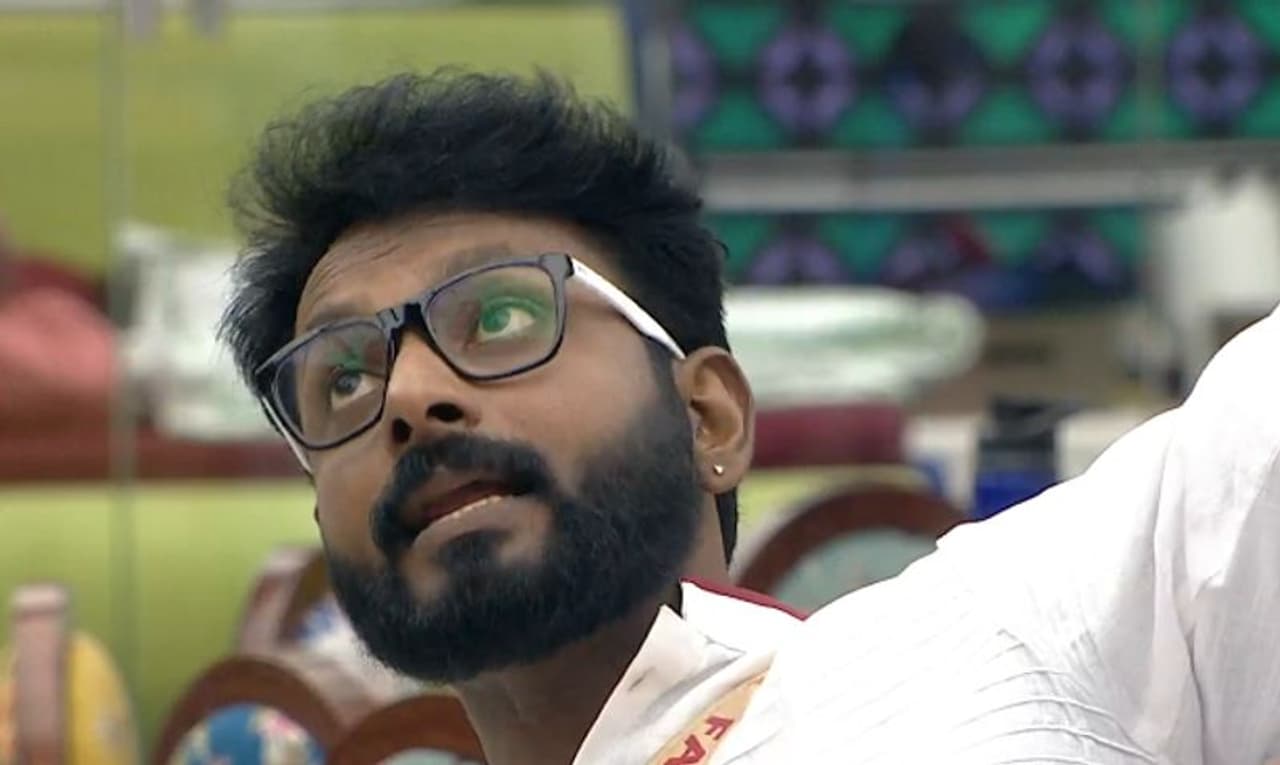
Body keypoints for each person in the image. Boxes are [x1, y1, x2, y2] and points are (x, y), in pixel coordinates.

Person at [219, 70, 1280, 764]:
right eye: (342, 379)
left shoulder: (1015, 634)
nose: (407, 395)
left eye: (498, 316)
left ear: (709, 416)